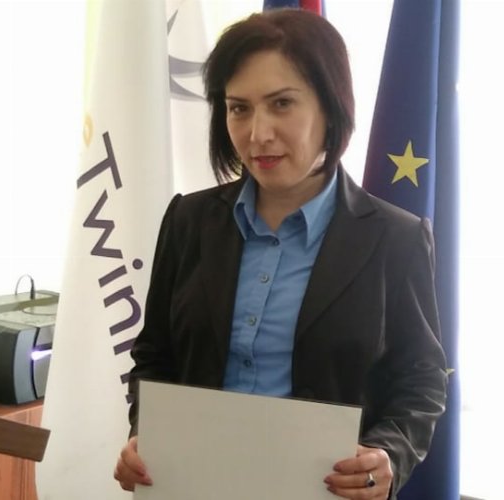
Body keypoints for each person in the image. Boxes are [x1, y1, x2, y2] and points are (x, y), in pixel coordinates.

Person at [113, 8, 447, 500]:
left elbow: (421, 379)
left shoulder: (395, 238)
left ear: (331, 108)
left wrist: (389, 455)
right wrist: (147, 436)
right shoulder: (189, 220)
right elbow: (154, 355)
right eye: (239, 108)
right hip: (193, 487)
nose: (258, 133)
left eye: (282, 104)